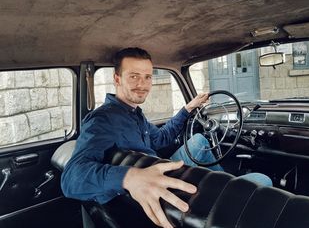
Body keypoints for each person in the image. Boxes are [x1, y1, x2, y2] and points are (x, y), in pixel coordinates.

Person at [61, 47, 271, 228]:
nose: (142, 84)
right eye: (133, 76)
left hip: (158, 170)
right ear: (117, 79)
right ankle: (220, 193)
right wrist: (130, 177)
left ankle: (223, 184)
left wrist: (188, 109)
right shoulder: (103, 120)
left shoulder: (133, 113)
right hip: (155, 190)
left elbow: (162, 138)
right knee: (262, 180)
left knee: (198, 141)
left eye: (147, 77)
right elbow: (71, 179)